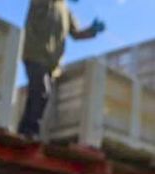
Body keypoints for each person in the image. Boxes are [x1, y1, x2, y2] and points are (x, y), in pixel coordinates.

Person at [18, 0, 105, 138]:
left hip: (52, 62)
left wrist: (93, 30)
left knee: (36, 95)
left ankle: (24, 131)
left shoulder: (66, 11)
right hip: (34, 54)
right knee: (42, 91)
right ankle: (30, 132)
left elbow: (76, 34)